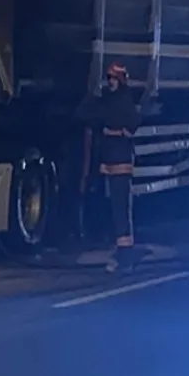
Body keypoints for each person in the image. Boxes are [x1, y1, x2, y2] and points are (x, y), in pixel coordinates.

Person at [77, 61, 141, 272]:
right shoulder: (109, 101)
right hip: (110, 164)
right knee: (115, 210)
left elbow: (131, 126)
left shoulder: (124, 103)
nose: (110, 82)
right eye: (108, 78)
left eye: (113, 78)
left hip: (121, 164)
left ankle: (126, 259)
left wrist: (113, 132)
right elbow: (86, 114)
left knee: (121, 211)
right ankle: (122, 255)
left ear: (121, 81)